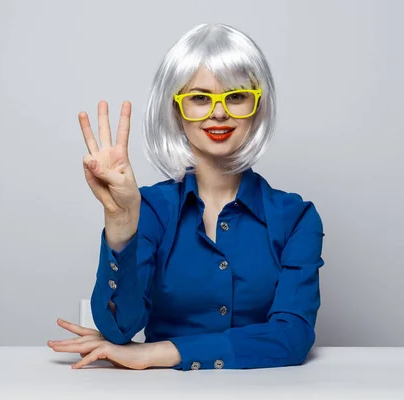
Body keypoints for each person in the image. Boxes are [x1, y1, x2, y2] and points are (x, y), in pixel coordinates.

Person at [47, 23, 325, 371]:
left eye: (236, 96)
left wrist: (157, 352)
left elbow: (292, 337)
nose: (219, 112)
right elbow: (119, 330)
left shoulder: (297, 218)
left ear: (257, 106)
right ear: (177, 110)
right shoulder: (148, 208)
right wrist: (120, 225)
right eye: (199, 98)